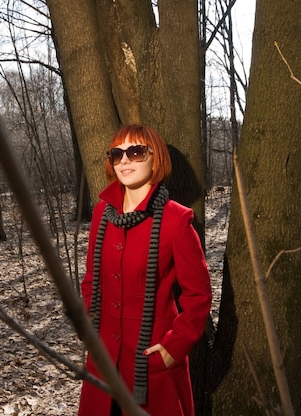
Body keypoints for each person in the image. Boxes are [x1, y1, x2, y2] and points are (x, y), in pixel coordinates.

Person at [78, 124, 212, 416]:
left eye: (136, 152)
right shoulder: (102, 213)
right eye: (117, 154)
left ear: (156, 158)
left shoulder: (176, 220)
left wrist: (171, 350)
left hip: (149, 361)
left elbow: (199, 296)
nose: (125, 161)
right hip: (104, 359)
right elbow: (91, 280)